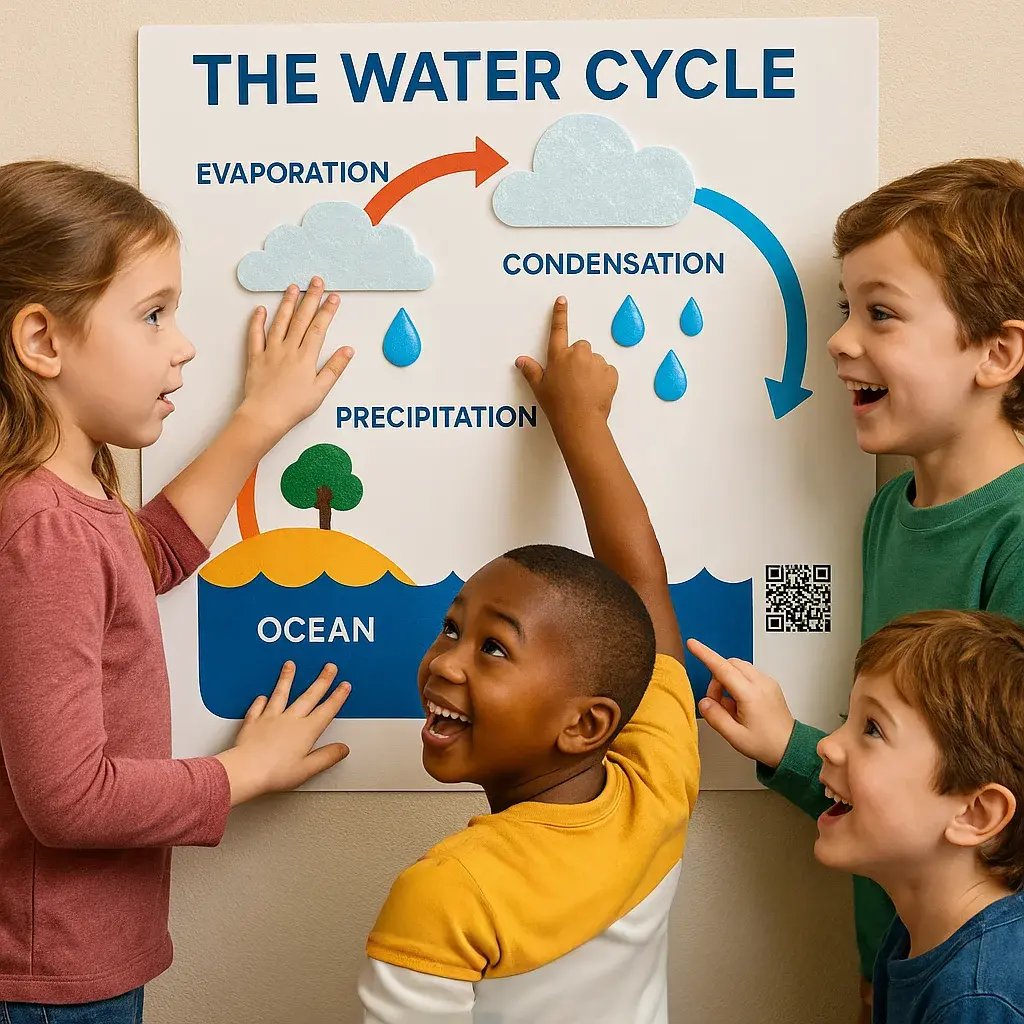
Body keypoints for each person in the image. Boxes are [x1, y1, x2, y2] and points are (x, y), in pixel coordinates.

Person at [0, 160, 354, 1021]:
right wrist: (244, 772)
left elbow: (144, 554)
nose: (184, 343)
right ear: (43, 342)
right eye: (154, 314)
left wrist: (258, 421)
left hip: (76, 967)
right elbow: (67, 800)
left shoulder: (65, 496)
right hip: (54, 984)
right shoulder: (42, 528)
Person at [691, 157, 1024, 1018]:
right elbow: (907, 772)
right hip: (902, 952)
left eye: (881, 314)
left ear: (999, 352)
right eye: (847, 311)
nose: (840, 343)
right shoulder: (886, 514)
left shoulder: (1016, 534)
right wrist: (784, 746)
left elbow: (983, 800)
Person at [358, 297, 700, 1024]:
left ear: (586, 725)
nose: (445, 664)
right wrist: (585, 424)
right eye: (451, 629)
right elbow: (643, 589)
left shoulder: (449, 891)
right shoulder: (657, 789)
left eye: (492, 648)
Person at [694, 610, 1024, 1023]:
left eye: (872, 729)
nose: (827, 746)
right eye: (843, 720)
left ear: (975, 814)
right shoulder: (918, 928)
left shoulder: (979, 1002)